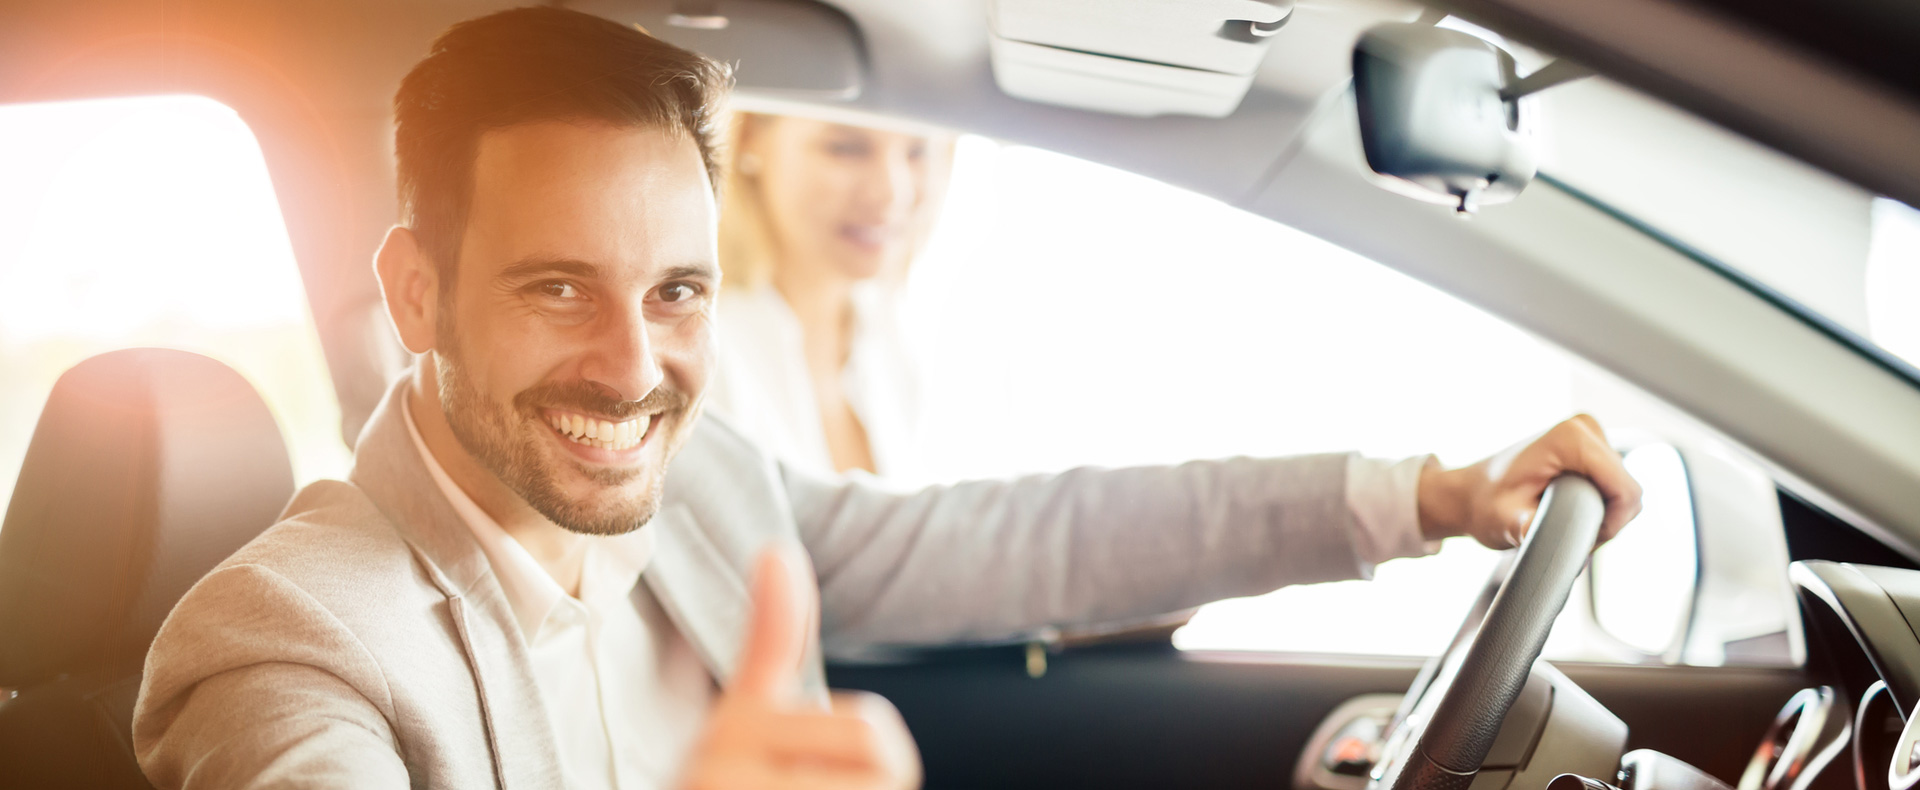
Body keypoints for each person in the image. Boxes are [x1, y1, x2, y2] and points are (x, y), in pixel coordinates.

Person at [131, 8, 1644, 790]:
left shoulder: (698, 481)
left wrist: (1424, 496)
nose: (634, 367)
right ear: (416, 295)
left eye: (676, 292)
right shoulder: (287, 647)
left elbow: (1027, 541)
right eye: (557, 288)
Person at [706, 112, 952, 476]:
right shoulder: (706, 356)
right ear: (750, 139)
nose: (892, 193)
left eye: (919, 151)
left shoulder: (895, 342)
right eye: (846, 149)